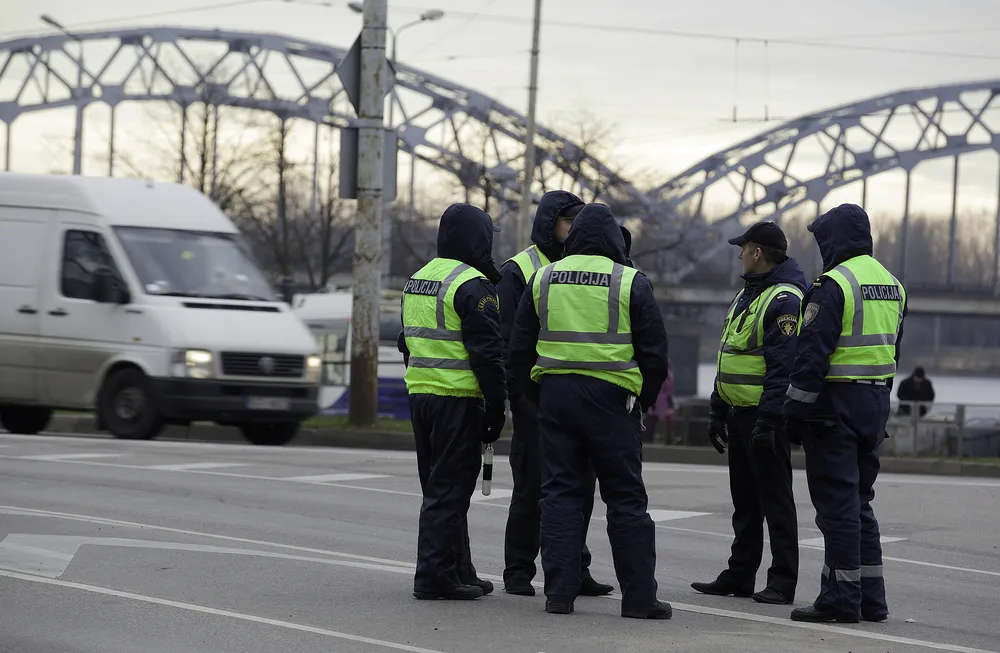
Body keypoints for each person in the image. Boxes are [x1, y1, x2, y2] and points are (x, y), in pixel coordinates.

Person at [507, 203, 671, 619]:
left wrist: (535, 394)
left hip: (557, 397)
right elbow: (655, 354)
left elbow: (520, 348)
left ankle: (559, 595)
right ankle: (638, 600)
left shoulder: (543, 277)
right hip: (613, 402)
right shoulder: (630, 281)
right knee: (626, 499)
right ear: (616, 240)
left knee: (560, 494)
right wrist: (643, 401)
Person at [783, 203, 907, 624]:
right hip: (874, 404)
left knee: (836, 508)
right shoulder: (893, 284)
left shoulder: (833, 284)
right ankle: (872, 599)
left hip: (834, 405)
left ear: (833, 239)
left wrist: (792, 416)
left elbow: (811, 356)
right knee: (859, 504)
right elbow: (892, 350)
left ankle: (839, 600)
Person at [497, 190, 615, 598]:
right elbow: (509, 340)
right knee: (531, 488)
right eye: (569, 222)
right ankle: (517, 571)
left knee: (576, 489)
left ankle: (573, 570)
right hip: (535, 396)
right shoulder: (521, 269)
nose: (575, 230)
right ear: (551, 224)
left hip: (572, 399)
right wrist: (522, 400)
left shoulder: (588, 265)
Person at [397, 202, 508, 601]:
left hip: (421, 398)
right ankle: (433, 577)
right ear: (477, 238)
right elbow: (488, 355)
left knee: (441, 490)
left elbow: (404, 340)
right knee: (450, 493)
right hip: (457, 400)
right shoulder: (473, 285)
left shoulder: (419, 279)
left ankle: (460, 569)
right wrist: (497, 408)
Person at [691, 221, 805, 606]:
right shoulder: (748, 296)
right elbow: (730, 357)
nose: (739, 254)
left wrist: (769, 422)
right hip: (739, 414)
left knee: (775, 501)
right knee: (745, 502)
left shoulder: (784, 300)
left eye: (743, 249)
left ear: (757, 252)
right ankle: (740, 575)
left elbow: (782, 369)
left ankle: (782, 581)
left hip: (763, 417)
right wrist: (716, 411)